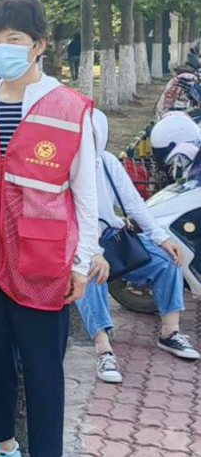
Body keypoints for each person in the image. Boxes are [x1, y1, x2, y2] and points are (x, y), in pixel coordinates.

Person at [0, 0, 107, 457]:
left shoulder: (70, 108)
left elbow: (86, 193)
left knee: (42, 368)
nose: (2, 49)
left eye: (13, 39)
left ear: (38, 45)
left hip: (42, 259)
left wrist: (82, 260)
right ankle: (1, 444)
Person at [77, 109, 199, 384]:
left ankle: (170, 333)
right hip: (80, 243)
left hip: (114, 238)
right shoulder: (65, 168)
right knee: (91, 273)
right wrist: (93, 252)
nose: (84, 139)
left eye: (90, 133)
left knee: (167, 258)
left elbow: (133, 204)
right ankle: (103, 349)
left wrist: (162, 238)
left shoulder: (106, 162)